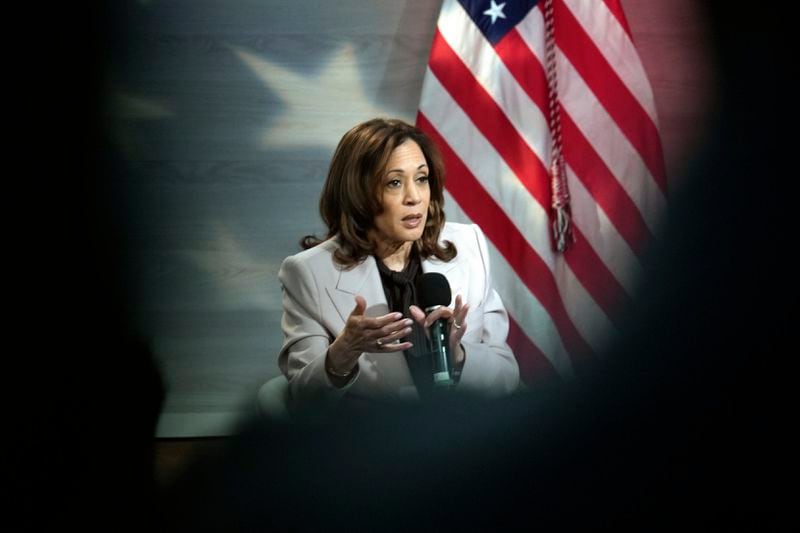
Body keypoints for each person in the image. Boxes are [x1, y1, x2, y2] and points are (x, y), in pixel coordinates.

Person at [277, 118, 519, 414]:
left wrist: (458, 354)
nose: (414, 197)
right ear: (359, 192)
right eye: (394, 182)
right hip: (376, 446)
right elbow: (304, 400)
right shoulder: (309, 273)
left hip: (463, 437)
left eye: (421, 178)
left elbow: (507, 377)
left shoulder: (469, 246)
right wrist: (343, 352)